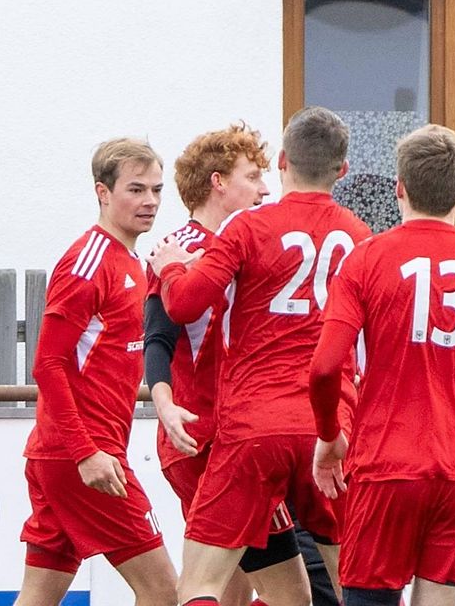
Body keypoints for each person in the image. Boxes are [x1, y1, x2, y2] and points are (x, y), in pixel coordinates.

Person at [148, 106, 371, 606]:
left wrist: (171, 271)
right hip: (328, 431)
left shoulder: (246, 228)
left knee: (202, 584)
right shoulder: (361, 239)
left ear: (285, 161)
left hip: (252, 427)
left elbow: (182, 304)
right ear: (343, 170)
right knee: (354, 586)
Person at [309, 124, 455, 606]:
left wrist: (328, 437)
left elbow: (324, 368)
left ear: (400, 187)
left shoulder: (366, 261)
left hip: (387, 463)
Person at [144, 124, 306, 606]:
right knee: (291, 596)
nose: (264, 189)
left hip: (234, 437)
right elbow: (158, 338)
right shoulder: (182, 248)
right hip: (209, 441)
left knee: (228, 591)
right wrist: (165, 404)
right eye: (253, 176)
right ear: (218, 182)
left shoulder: (248, 243)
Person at [15, 138, 178, 606]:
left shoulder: (132, 262)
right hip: (83, 458)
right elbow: (47, 363)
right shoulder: (88, 260)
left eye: (156, 189)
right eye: (135, 189)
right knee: (164, 592)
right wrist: (86, 453)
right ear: (102, 193)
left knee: (38, 597)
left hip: (67, 455)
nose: (149, 201)